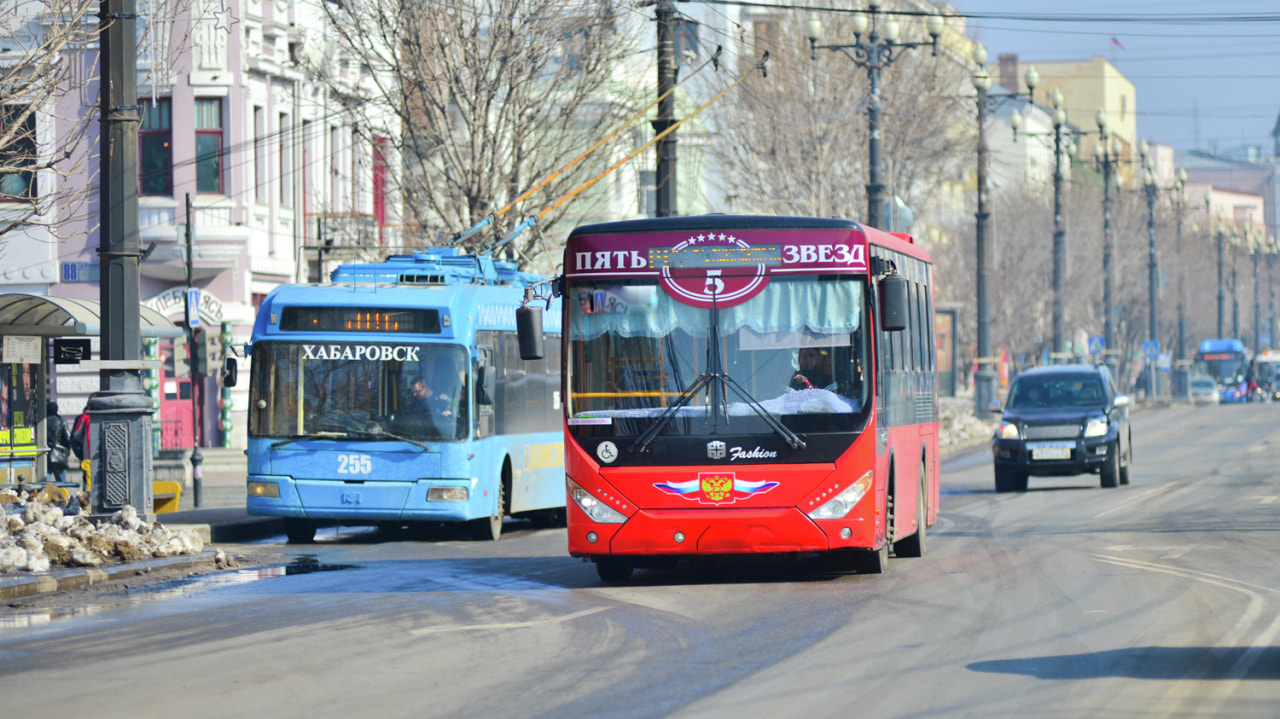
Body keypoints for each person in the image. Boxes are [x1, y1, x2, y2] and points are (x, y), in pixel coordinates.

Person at [44, 401, 73, 483]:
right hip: (58, 454)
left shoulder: (42, 422)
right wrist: (66, 450)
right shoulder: (61, 421)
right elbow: (68, 438)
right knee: (62, 482)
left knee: (45, 482)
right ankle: (63, 496)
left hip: (44, 453)